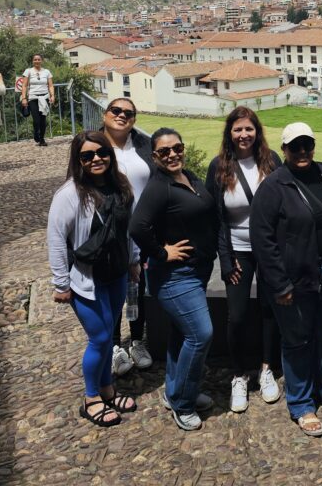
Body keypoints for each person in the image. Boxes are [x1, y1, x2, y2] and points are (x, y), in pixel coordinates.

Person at [250, 122, 322, 437]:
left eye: (306, 145)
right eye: (294, 147)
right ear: (283, 150)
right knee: (297, 340)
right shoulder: (274, 186)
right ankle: (301, 403)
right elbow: (263, 240)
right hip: (294, 279)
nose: (301, 152)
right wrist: (279, 284)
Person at [47, 131, 140, 427]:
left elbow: (128, 228)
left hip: (116, 274)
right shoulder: (70, 194)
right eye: (88, 156)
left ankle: (107, 389)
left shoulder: (120, 186)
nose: (96, 159)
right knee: (99, 338)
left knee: (109, 331)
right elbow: (57, 239)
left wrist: (134, 261)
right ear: (78, 160)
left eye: (101, 153)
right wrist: (60, 284)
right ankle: (91, 399)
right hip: (86, 279)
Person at [130, 127, 219, 431]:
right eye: (164, 152)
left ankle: (175, 390)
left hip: (196, 270)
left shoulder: (189, 177)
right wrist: (161, 252)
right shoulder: (159, 187)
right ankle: (183, 402)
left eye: (177, 148)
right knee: (201, 334)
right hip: (174, 276)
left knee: (183, 334)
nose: (172, 155)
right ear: (154, 156)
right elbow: (137, 228)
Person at [205, 106, 283, 413]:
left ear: (257, 131)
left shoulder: (271, 160)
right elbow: (216, 217)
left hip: (269, 249)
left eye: (248, 129)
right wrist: (225, 259)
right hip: (237, 250)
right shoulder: (219, 166)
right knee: (236, 315)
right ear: (229, 133)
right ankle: (238, 374)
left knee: (269, 310)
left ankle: (266, 368)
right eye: (237, 129)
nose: (243, 135)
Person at [99, 98, 154, 376]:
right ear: (105, 114)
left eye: (128, 113)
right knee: (112, 290)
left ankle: (135, 340)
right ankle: (112, 347)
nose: (122, 116)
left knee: (137, 288)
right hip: (110, 232)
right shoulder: (95, 146)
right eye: (116, 111)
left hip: (142, 231)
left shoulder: (143, 144)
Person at [21, 54, 55, 146]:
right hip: (33, 98)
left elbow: (51, 85)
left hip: (44, 98)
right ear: (33, 61)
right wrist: (24, 98)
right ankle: (36, 133)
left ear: (41, 61)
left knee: (43, 120)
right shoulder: (28, 71)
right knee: (36, 120)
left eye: (38, 59)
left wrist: (52, 95)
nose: (37, 61)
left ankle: (42, 139)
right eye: (35, 59)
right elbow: (24, 85)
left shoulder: (47, 72)